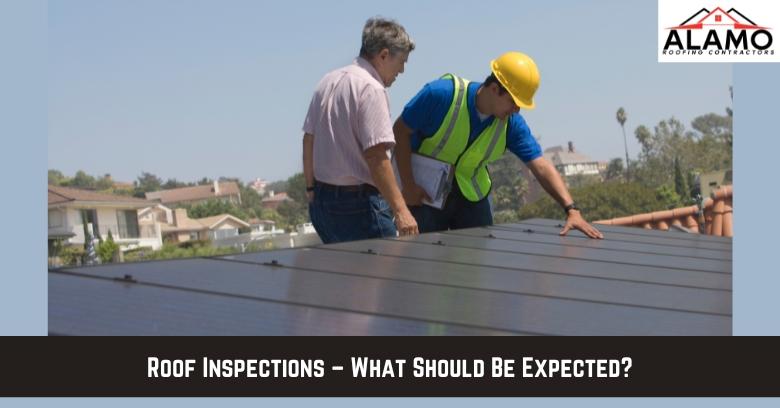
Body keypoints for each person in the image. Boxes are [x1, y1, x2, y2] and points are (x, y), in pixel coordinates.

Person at [393, 51, 603, 239]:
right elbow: (400, 131)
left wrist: (571, 209)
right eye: (514, 102)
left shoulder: (511, 124)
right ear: (495, 89)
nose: (517, 110)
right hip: (425, 194)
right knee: (423, 263)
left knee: (474, 267)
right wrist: (408, 185)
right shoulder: (441, 95)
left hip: (472, 197)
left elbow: (540, 165)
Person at [302, 17, 419, 244]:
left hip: (322, 203)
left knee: (347, 278)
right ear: (384, 55)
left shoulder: (327, 81)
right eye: (401, 62)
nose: (402, 71)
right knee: (388, 277)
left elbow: (308, 140)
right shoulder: (371, 89)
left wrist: (310, 190)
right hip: (358, 207)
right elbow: (376, 156)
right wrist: (401, 211)